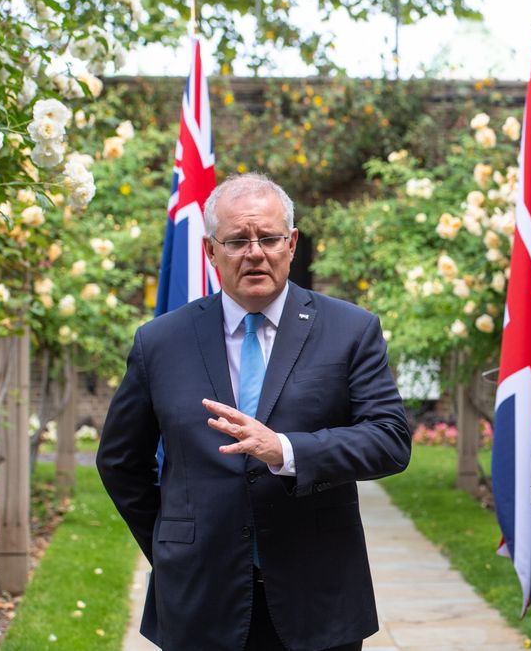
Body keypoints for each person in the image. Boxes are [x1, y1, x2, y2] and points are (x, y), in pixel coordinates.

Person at [97, 172, 411, 651]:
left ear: (291, 243)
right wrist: (172, 542)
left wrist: (285, 450)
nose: (255, 252)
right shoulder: (159, 342)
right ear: (210, 251)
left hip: (318, 595)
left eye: (268, 237)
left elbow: (389, 440)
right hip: (199, 596)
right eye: (238, 240)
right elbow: (121, 462)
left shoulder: (350, 330)